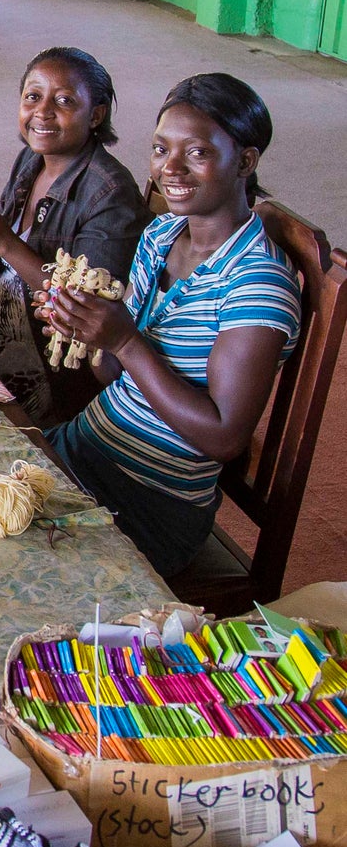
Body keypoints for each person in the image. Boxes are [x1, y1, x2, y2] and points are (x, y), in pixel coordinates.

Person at [43, 74, 302, 581]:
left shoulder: (258, 284)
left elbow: (224, 438)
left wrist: (124, 340)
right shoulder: (161, 234)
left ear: (245, 163)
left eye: (198, 153)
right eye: (160, 149)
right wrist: (86, 328)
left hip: (152, 501)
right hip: (88, 446)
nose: (170, 169)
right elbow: (112, 375)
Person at [0, 47, 146, 427]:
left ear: (96, 115)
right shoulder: (32, 159)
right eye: (32, 97)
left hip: (51, 369)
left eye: (65, 101)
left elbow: (85, 316)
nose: (43, 111)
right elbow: (0, 269)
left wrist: (4, 241)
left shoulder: (110, 194)